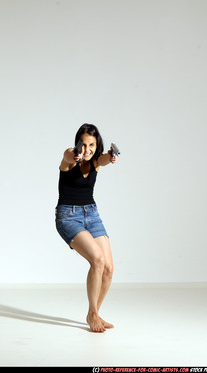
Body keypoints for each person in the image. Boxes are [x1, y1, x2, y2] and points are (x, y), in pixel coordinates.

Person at [55, 123, 118, 332]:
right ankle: (93, 315)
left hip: (91, 215)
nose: (88, 149)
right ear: (78, 143)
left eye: (92, 144)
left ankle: (94, 314)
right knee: (97, 260)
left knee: (108, 268)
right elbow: (67, 154)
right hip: (68, 217)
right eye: (84, 144)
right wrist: (75, 153)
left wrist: (111, 156)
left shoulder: (96, 161)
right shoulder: (69, 160)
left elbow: (104, 159)